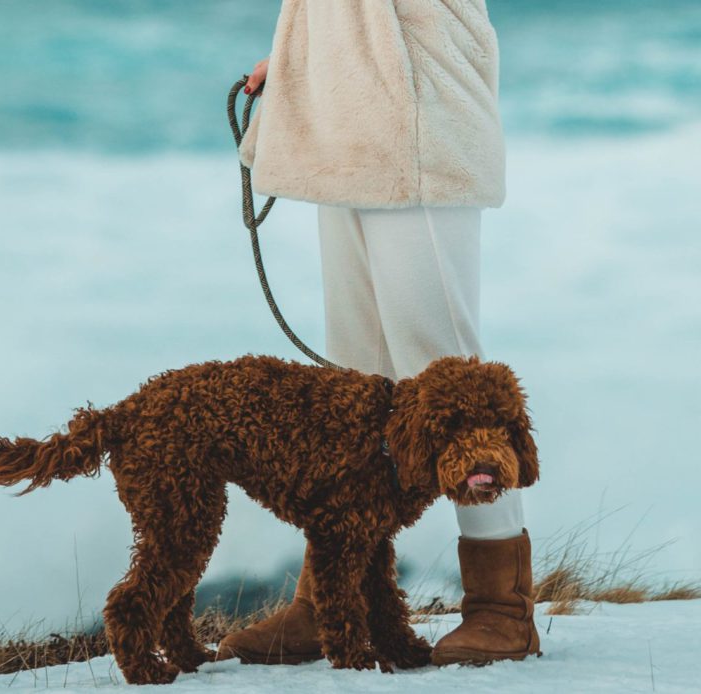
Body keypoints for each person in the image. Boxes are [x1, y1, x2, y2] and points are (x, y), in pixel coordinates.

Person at [217, 1, 538, 667]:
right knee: (354, 380)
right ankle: (333, 601)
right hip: (350, 113)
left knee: (448, 375)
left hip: (420, 106)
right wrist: (302, 51)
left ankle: (501, 608)